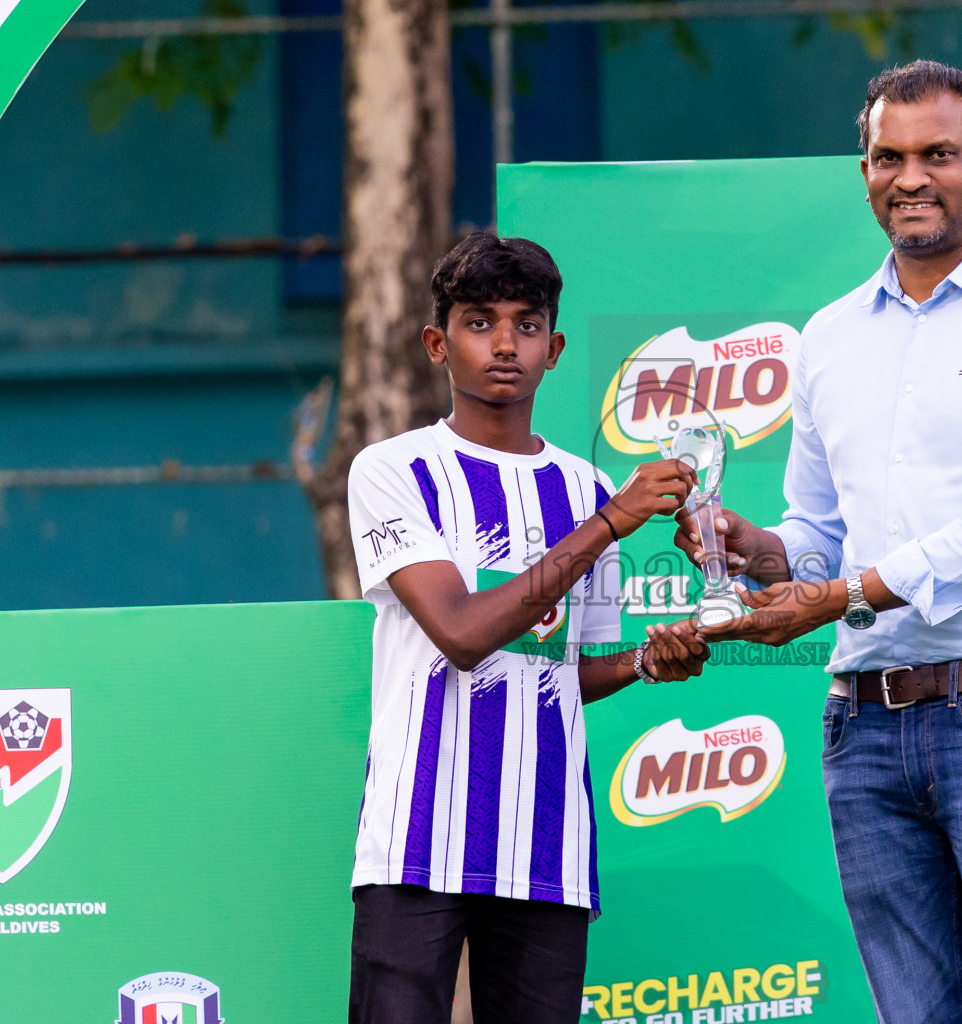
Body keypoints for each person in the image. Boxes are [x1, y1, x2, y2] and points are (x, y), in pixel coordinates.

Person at [681, 61, 962, 1024]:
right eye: (888, 156)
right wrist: (743, 545)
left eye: (938, 155)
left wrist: (841, 596)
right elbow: (816, 539)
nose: (910, 177)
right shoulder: (830, 335)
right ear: (864, 171)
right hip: (865, 727)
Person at [347, 231, 709, 1024]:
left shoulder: (587, 484)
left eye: (527, 323)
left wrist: (645, 664)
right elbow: (463, 634)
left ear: (556, 347)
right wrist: (607, 524)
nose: (505, 344)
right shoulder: (392, 469)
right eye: (480, 322)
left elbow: (554, 671)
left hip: (546, 845)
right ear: (438, 343)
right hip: (418, 839)